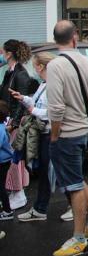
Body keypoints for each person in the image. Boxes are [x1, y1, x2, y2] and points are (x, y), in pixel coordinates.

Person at [46, 21, 88, 256]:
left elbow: (56, 108)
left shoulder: (55, 66)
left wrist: (54, 136)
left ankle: (78, 239)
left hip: (66, 134)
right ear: (74, 37)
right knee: (78, 179)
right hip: (83, 129)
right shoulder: (86, 61)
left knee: (73, 187)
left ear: (55, 40)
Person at [13, 52, 73, 222]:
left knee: (58, 172)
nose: (34, 69)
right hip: (45, 134)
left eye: (35, 65)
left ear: (41, 66)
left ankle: (73, 205)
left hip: (53, 134)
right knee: (48, 173)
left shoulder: (54, 85)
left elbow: (54, 113)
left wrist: (34, 111)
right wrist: (24, 99)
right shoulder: (44, 84)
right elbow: (37, 102)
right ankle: (41, 208)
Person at [0, 39, 33, 210]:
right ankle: (14, 193)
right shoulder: (10, 71)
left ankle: (19, 194)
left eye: (2, 52)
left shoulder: (20, 74)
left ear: (9, 53)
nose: (1, 55)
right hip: (8, 119)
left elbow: (21, 102)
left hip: (14, 122)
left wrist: (13, 124)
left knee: (13, 159)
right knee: (12, 158)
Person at [0, 101, 13, 220]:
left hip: (2, 161)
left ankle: (7, 211)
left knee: (1, 187)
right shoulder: (2, 126)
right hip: (5, 160)